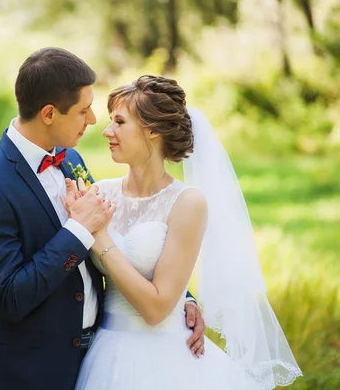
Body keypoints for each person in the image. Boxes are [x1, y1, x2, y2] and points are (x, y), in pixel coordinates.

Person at [0, 48, 205, 390]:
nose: (92, 122)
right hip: (23, 370)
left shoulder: (69, 159)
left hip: (89, 361)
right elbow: (11, 296)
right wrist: (78, 229)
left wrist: (181, 299)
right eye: (83, 111)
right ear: (48, 114)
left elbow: (127, 243)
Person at [72, 75, 302, 389]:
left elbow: (156, 309)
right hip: (104, 352)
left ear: (152, 130)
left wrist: (101, 242)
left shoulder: (187, 203)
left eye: (119, 122)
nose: (107, 131)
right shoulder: (100, 194)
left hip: (166, 360)